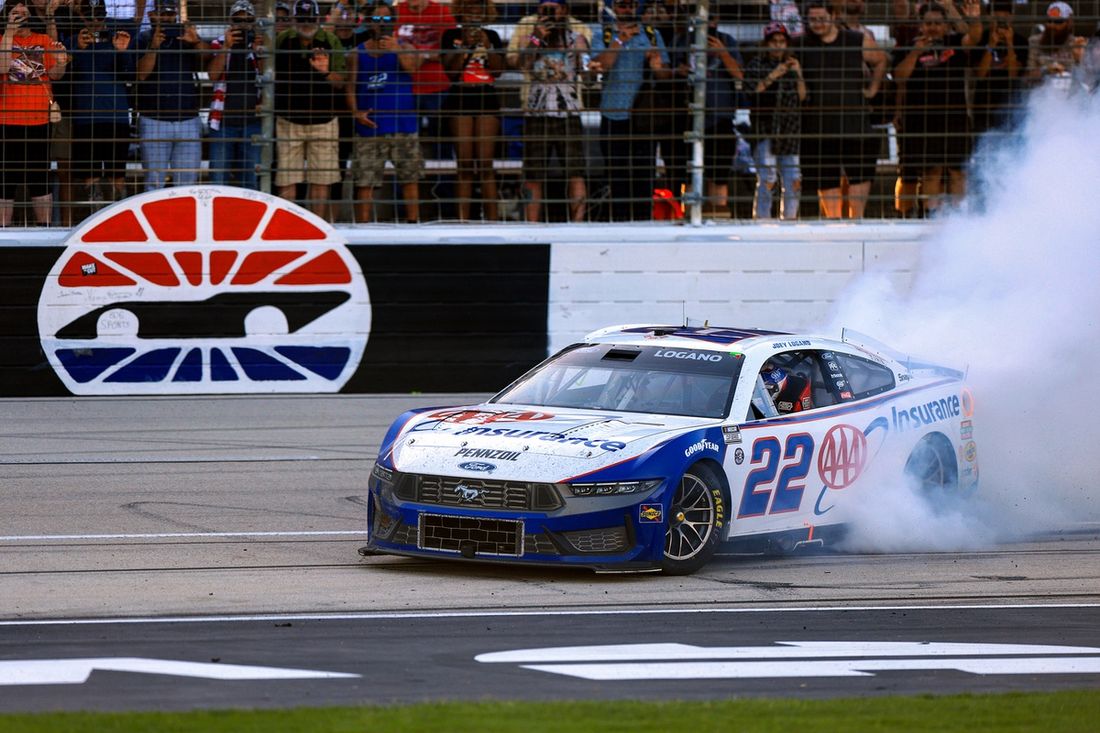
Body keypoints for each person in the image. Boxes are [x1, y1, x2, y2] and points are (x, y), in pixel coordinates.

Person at [798, 0, 886, 219]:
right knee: (825, 176)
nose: (817, 24)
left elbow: (881, 60)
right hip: (818, 124)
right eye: (812, 20)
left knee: (860, 174)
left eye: (821, 19)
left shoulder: (855, 40)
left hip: (854, 121)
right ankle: (833, 223)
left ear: (834, 16)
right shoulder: (801, 44)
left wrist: (872, 89)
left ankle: (857, 221)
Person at [893, 0, 981, 215]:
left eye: (938, 23)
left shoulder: (954, 42)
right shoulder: (908, 46)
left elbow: (975, 38)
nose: (933, 27)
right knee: (931, 172)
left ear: (945, 25)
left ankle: (961, 217)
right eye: (928, 23)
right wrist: (916, 52)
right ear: (921, 25)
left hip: (955, 119)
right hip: (922, 119)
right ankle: (933, 216)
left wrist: (975, 18)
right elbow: (899, 76)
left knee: (958, 172)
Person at [590, 0, 670, 222]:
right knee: (617, 176)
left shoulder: (652, 34)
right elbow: (598, 66)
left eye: (631, 5)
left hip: (644, 118)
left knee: (644, 177)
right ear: (614, 8)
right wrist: (618, 41)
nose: (627, 9)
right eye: (622, 5)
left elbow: (665, 75)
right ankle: (620, 224)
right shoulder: (603, 35)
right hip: (613, 114)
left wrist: (657, 66)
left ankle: (644, 224)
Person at [516, 0, 591, 223]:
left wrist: (584, 63)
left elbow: (587, 73)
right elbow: (523, 65)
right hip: (536, 112)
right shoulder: (527, 38)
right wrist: (536, 38)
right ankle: (532, 225)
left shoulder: (576, 39)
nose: (549, 14)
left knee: (575, 171)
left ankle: (577, 224)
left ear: (564, 11)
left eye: (553, 10)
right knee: (533, 174)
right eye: (544, 10)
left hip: (568, 110)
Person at [347, 3, 423, 223]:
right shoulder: (357, 52)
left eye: (387, 20)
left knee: (410, 178)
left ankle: (413, 224)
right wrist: (356, 112)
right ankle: (362, 227)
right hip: (370, 126)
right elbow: (350, 86)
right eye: (377, 20)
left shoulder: (405, 46)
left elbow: (412, 69)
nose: (382, 24)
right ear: (369, 23)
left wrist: (396, 48)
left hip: (403, 124)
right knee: (365, 182)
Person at [274, 0, 345, 220]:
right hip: (289, 120)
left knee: (321, 180)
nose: (306, 24)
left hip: (324, 120)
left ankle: (319, 228)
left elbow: (341, 82)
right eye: (302, 19)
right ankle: (287, 227)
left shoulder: (331, 41)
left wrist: (324, 71)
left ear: (318, 19)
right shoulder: (281, 41)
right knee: (287, 179)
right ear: (294, 20)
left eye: (311, 19)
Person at [0, 0, 68, 225]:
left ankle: (44, 228)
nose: (19, 14)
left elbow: (56, 75)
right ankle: (4, 231)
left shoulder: (43, 40)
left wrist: (61, 62)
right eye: (14, 11)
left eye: (23, 11)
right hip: (7, 119)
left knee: (39, 175)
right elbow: (2, 67)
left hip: (39, 119)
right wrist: (9, 30)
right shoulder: (2, 41)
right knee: (5, 178)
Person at [135, 0, 209, 190]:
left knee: (187, 186)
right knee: (154, 183)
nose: (166, 18)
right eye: (162, 14)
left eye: (169, 14)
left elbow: (208, 61)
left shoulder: (185, 36)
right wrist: (154, 46)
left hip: (187, 120)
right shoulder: (143, 38)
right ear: (152, 15)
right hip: (153, 120)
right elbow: (141, 74)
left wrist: (197, 42)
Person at [440, 0, 503, 221]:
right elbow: (451, 72)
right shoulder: (450, 35)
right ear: (461, 12)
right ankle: (462, 221)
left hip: (486, 97)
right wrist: (465, 47)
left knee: (486, 166)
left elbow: (498, 70)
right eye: (469, 11)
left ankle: (493, 221)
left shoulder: (492, 35)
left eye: (479, 11)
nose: (474, 15)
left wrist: (487, 45)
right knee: (464, 165)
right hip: (460, 97)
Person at [744, 22, 806, 220]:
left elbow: (803, 97)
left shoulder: (793, 63)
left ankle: (790, 220)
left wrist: (798, 74)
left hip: (790, 129)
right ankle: (762, 220)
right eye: (774, 41)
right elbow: (752, 91)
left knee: (793, 179)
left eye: (782, 41)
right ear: (766, 43)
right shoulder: (756, 63)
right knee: (768, 178)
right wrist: (775, 74)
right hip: (766, 129)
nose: (778, 45)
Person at [206, 0, 264, 189]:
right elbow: (213, 76)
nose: (242, 24)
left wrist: (258, 52)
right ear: (230, 22)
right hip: (223, 122)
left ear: (253, 22)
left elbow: (268, 78)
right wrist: (226, 47)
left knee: (250, 182)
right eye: (238, 20)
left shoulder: (260, 45)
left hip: (253, 123)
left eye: (248, 20)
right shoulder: (219, 43)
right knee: (218, 181)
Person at [395, 0, 454, 161]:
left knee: (442, 141)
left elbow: (451, 50)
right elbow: (390, 47)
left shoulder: (442, 12)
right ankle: (403, 185)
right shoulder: (396, 11)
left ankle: (443, 185)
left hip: (437, 86)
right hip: (405, 87)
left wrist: (422, 56)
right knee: (405, 143)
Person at [972, 0, 1028, 135]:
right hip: (984, 104)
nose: (1000, 24)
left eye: (1004, 19)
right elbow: (980, 74)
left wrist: (1009, 43)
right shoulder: (981, 39)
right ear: (990, 18)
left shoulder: (1020, 41)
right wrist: (991, 44)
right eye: (996, 19)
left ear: (1011, 17)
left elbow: (1013, 74)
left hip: (1010, 103)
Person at [1027, 1, 1086, 87]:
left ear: (1069, 23)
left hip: (1070, 95)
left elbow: (1085, 80)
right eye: (1050, 21)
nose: (1052, 25)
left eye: (1058, 22)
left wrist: (1078, 58)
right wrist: (1046, 70)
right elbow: (1029, 76)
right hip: (1041, 94)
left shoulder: (1076, 44)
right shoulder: (1035, 41)